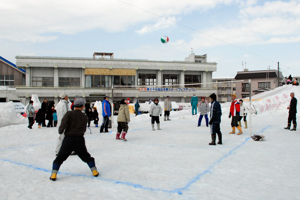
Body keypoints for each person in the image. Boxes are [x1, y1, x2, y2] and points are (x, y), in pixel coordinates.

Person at [49, 98, 99, 181]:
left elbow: (63, 124)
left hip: (68, 139)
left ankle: (54, 174)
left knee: (60, 157)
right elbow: (84, 129)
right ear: (83, 106)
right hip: (79, 139)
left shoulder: (69, 114)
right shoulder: (84, 116)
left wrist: (60, 131)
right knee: (86, 156)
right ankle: (94, 170)